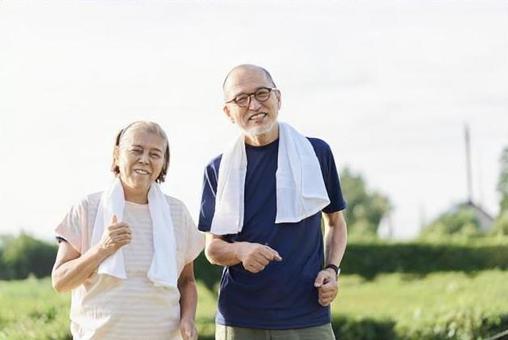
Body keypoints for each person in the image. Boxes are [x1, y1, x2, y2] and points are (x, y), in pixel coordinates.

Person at [198, 64, 348, 340]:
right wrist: (241, 251)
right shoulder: (217, 169)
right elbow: (213, 248)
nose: (254, 104)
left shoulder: (316, 153)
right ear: (228, 112)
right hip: (239, 318)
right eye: (241, 98)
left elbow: (336, 223)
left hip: (307, 316)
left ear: (278, 97)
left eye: (262, 93)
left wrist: (331, 270)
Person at [52, 121, 204, 340]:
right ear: (116, 155)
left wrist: (188, 318)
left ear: (163, 163)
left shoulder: (177, 213)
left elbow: (186, 282)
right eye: (136, 150)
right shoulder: (87, 208)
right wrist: (103, 249)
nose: (144, 159)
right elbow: (60, 282)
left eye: (155, 154)